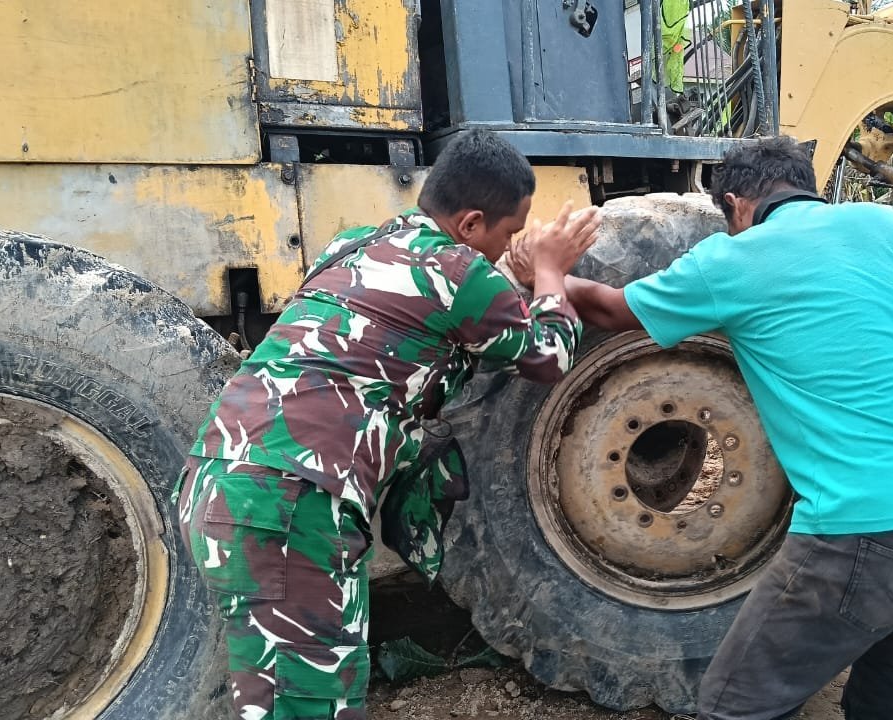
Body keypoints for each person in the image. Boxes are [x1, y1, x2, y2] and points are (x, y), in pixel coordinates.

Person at [513, 136, 893, 720]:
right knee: (888, 641)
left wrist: (547, 273)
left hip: (874, 529)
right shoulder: (892, 227)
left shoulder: (734, 261)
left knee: (736, 705)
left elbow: (608, 310)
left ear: (735, 205)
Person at [174, 128, 600, 720]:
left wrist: (508, 270)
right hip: (291, 504)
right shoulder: (459, 272)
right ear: (471, 223)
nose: (510, 247)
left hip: (222, 481)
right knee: (309, 703)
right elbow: (548, 358)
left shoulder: (353, 244)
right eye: (508, 234)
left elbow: (420, 316)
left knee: (282, 693)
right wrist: (550, 272)